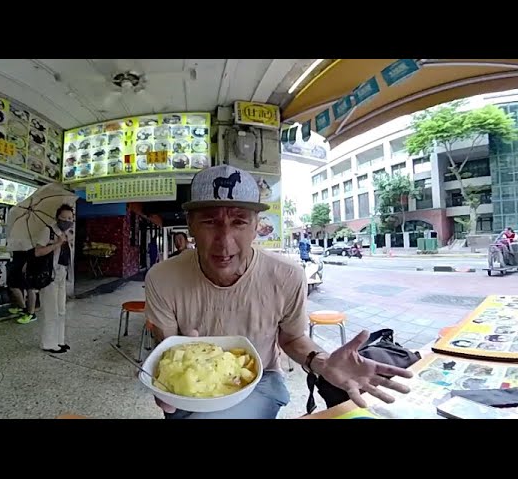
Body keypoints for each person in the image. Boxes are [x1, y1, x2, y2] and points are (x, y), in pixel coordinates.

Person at [145, 165, 413, 419]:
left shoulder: (287, 275)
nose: (225, 242)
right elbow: (167, 350)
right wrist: (165, 381)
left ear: (256, 226)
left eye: (239, 222)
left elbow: (292, 339)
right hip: (189, 388)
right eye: (210, 222)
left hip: (259, 380)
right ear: (190, 225)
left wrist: (322, 362)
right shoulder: (162, 278)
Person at [34, 204, 74, 354]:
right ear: (57, 217)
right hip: (49, 276)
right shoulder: (48, 231)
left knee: (61, 310)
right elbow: (38, 252)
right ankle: (48, 343)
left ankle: (59, 340)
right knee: (51, 311)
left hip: (62, 275)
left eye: (69, 218)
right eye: (63, 218)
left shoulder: (67, 232)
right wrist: (57, 243)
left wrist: (65, 241)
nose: (67, 220)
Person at [7, 247, 37, 324]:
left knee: (29, 287)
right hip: (18, 260)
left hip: (26, 261)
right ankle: (23, 308)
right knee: (15, 285)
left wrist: (28, 262)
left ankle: (31, 313)